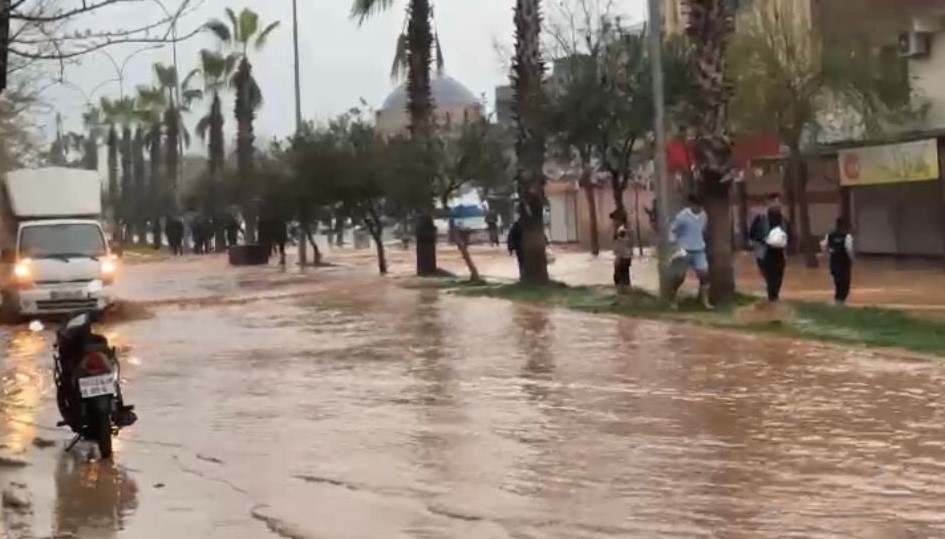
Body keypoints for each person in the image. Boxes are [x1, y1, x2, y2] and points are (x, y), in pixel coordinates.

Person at [669, 194, 713, 309]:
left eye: (701, 207)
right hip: (685, 250)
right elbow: (673, 230)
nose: (700, 209)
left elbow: (703, 230)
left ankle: (705, 302)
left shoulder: (704, 215)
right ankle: (673, 300)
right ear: (692, 205)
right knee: (679, 277)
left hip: (699, 250)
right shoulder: (682, 216)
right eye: (697, 206)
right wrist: (675, 244)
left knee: (704, 274)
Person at [821, 217, 854, 305]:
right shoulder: (847, 236)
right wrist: (852, 259)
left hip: (834, 262)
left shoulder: (830, 235)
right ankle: (840, 301)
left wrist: (828, 253)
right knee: (845, 283)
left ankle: (838, 300)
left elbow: (823, 246)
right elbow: (849, 249)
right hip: (844, 262)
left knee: (837, 282)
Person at [612, 225, 633, 296]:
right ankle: (627, 290)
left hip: (621, 261)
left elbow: (616, 252)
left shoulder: (618, 241)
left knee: (618, 278)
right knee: (626, 277)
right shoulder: (628, 241)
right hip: (627, 261)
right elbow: (631, 252)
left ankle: (621, 292)